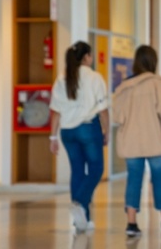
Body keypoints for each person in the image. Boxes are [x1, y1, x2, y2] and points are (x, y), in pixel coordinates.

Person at [112, 45, 161, 236]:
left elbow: (117, 117)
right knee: (159, 179)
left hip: (131, 142)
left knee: (133, 180)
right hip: (155, 140)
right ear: (154, 62)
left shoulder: (124, 86)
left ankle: (131, 223)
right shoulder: (157, 83)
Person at [49, 41, 109, 233]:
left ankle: (82, 221)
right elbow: (103, 109)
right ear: (87, 57)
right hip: (87, 128)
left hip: (67, 131)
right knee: (96, 169)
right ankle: (80, 203)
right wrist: (106, 130)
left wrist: (53, 137)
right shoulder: (94, 77)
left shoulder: (61, 78)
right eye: (91, 56)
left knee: (77, 171)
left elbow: (55, 111)